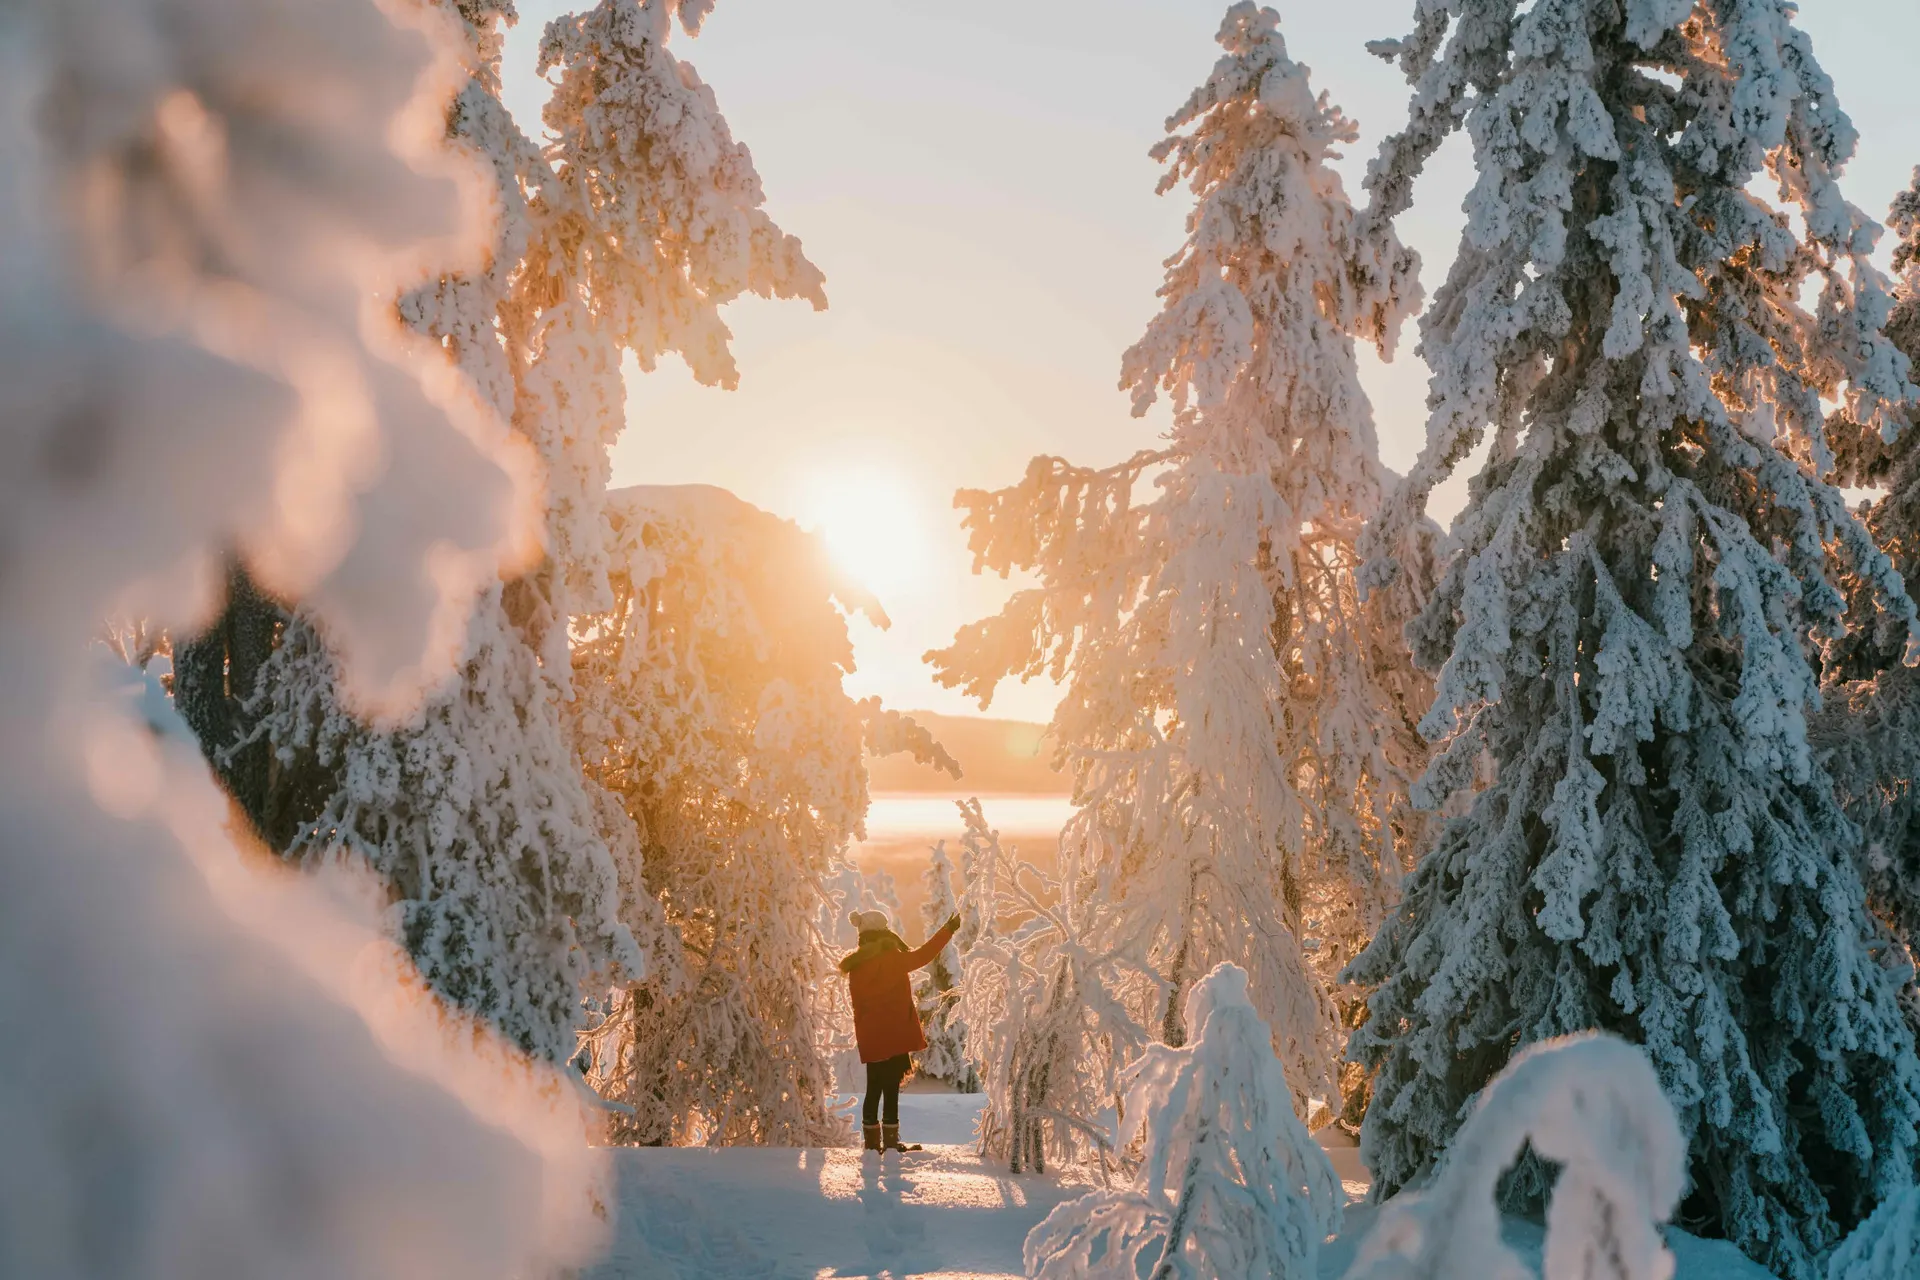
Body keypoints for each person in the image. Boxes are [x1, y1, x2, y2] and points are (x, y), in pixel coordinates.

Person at [840, 907, 962, 1155]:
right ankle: (892, 1143)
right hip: (894, 1034)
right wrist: (948, 929)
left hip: (871, 1036)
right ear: (881, 932)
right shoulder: (894, 959)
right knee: (890, 1088)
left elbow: (858, 1006)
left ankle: (872, 1146)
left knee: (873, 1088)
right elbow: (924, 954)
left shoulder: (856, 966)